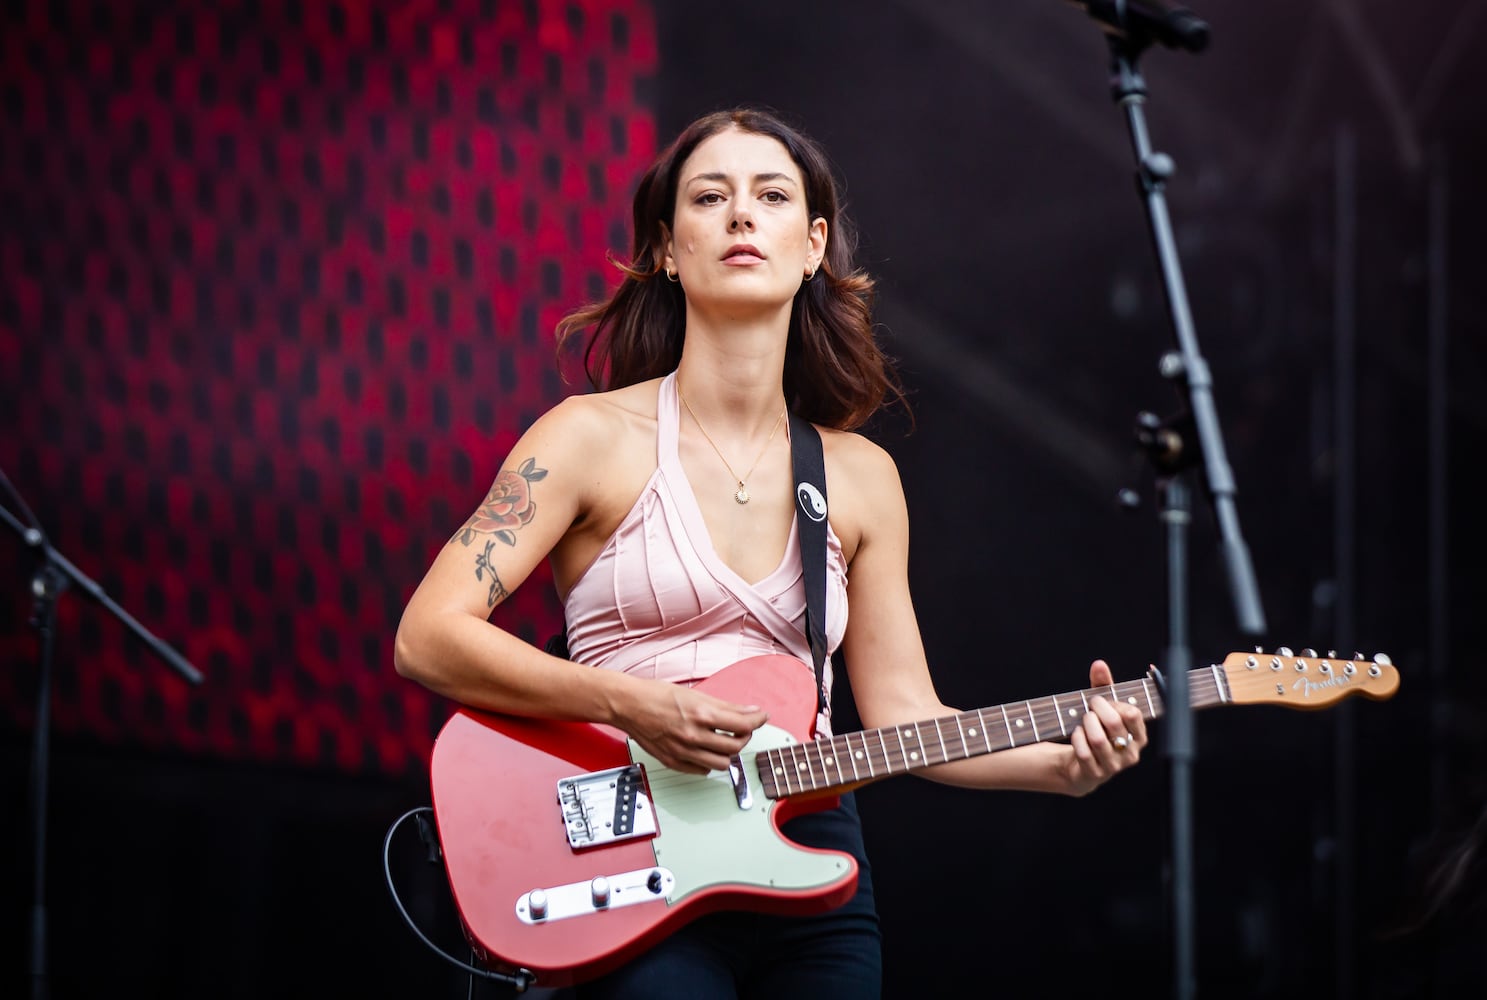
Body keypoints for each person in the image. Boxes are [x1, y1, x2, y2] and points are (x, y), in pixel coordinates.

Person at [393, 106, 1147, 999]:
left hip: (812, 859)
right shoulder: (587, 438)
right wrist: (632, 704)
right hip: (627, 839)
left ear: (812, 243)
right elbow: (427, 636)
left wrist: (1059, 768)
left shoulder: (860, 477)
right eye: (709, 197)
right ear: (669, 248)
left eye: (771, 196)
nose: (741, 215)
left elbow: (904, 714)